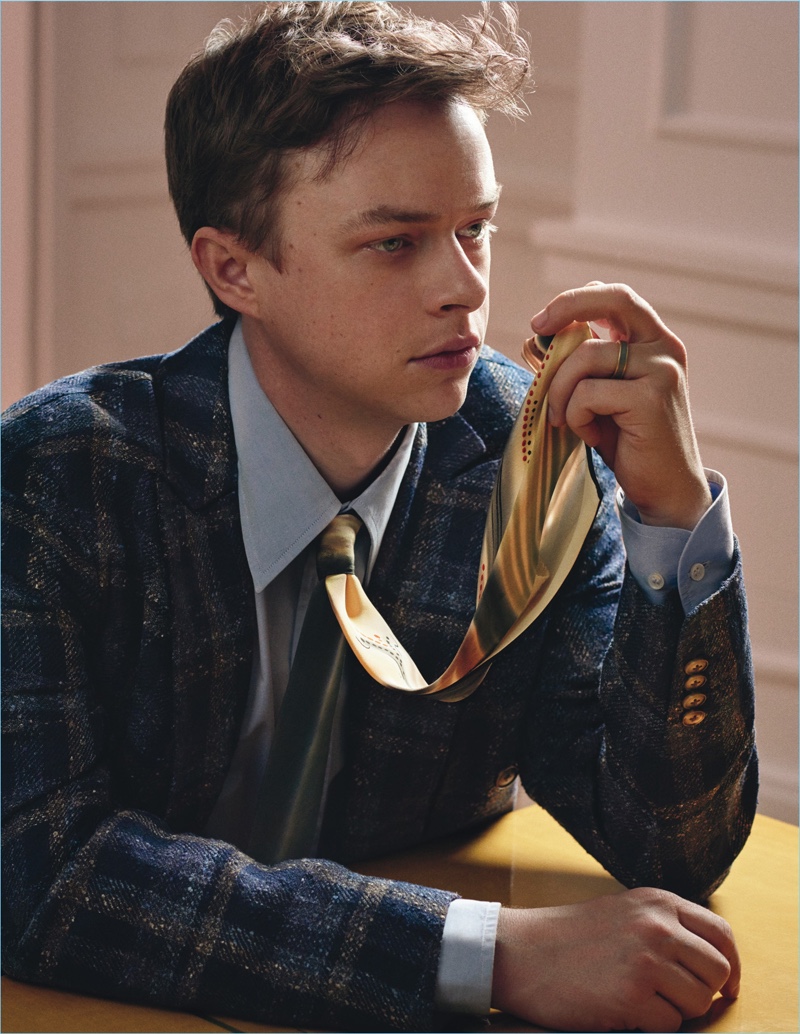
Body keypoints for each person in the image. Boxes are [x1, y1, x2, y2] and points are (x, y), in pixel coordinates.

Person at [2, 3, 757, 1032]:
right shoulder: (62, 468)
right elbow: (41, 871)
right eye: (395, 242)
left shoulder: (524, 462)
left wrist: (669, 512)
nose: (465, 286)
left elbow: (668, 846)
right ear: (234, 270)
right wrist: (482, 953)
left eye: (473, 227)